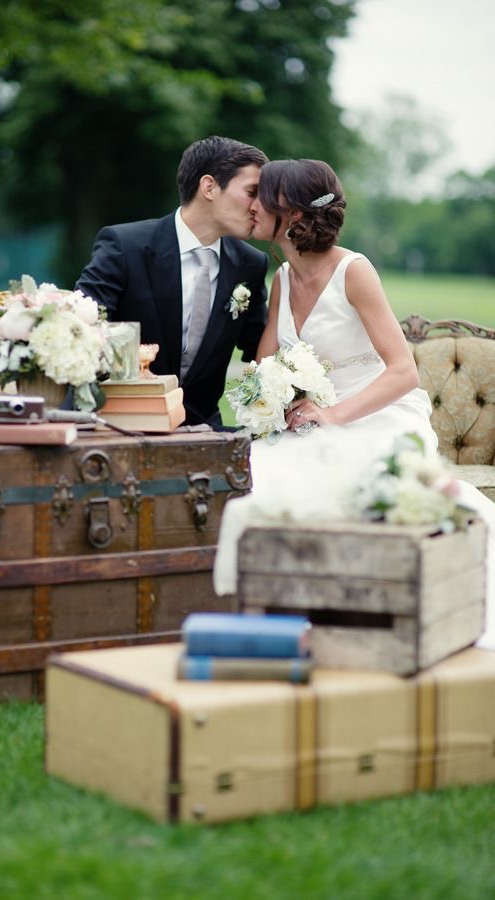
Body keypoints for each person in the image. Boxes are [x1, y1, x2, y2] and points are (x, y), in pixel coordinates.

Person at [212, 158, 494, 650]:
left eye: (263, 196)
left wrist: (331, 415)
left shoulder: (353, 271)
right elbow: (263, 366)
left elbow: (403, 370)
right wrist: (274, 399)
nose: (251, 205)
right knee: (258, 470)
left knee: (339, 480)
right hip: (310, 420)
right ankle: (279, 609)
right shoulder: (280, 279)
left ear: (293, 214)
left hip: (377, 416)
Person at [75, 136, 269, 428]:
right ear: (209, 187)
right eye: (252, 192)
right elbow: (80, 331)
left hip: (206, 432)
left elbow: (262, 351)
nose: (259, 206)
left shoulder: (250, 264)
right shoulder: (125, 246)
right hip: (120, 427)